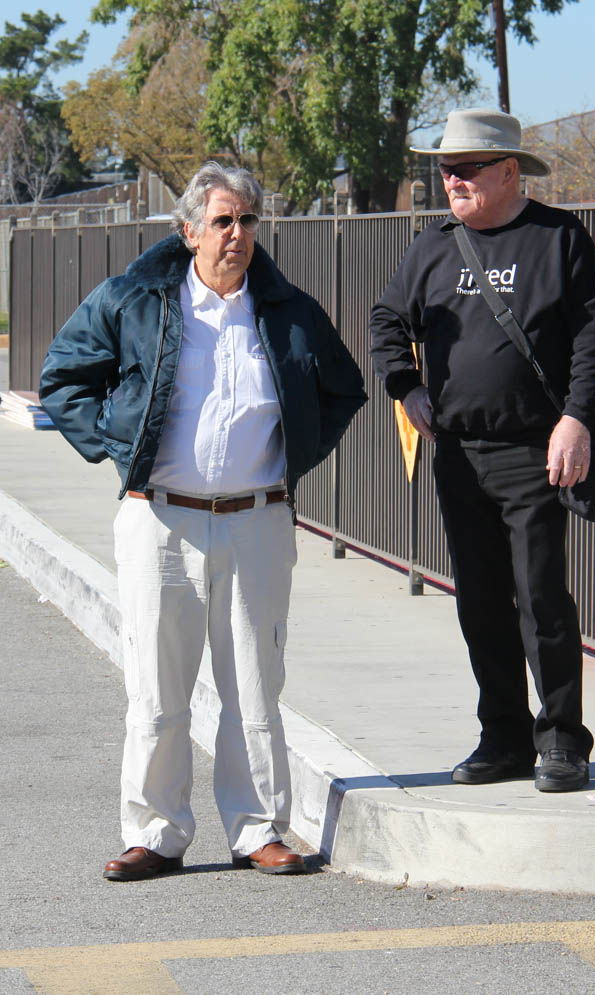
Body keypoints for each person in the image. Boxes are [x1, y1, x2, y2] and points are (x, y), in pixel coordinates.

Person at [40, 162, 366, 879]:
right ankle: (156, 832)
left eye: (248, 220)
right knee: (157, 688)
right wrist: (115, 443)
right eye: (222, 221)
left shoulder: (286, 310)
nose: (237, 234)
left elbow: (344, 387)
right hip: (159, 520)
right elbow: (62, 375)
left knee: (255, 684)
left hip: (257, 522)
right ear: (189, 232)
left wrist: (292, 457)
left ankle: (257, 831)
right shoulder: (137, 300)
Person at [370, 108, 595, 792]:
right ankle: (504, 736)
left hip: (534, 451)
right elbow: (388, 318)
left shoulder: (558, 238)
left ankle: (563, 738)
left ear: (509, 172)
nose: (451, 180)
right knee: (479, 600)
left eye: (466, 169)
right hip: (458, 452)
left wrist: (577, 418)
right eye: (445, 169)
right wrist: (406, 386)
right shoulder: (433, 245)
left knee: (540, 596)